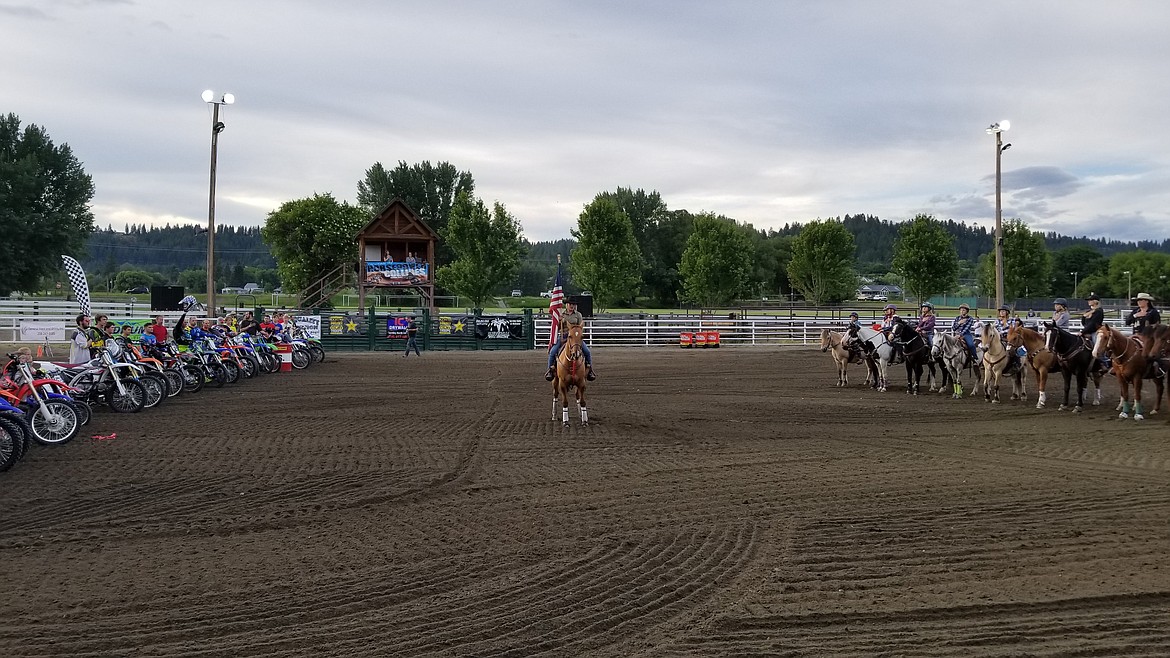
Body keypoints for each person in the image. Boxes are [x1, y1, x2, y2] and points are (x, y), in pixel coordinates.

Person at [545, 300, 595, 381]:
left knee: (587, 351)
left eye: (573, 304)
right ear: (566, 305)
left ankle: (590, 370)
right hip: (563, 336)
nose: (572, 306)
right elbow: (555, 326)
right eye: (570, 304)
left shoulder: (578, 315)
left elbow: (580, 327)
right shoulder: (561, 314)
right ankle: (550, 370)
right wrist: (559, 321)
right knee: (553, 351)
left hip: (575, 337)